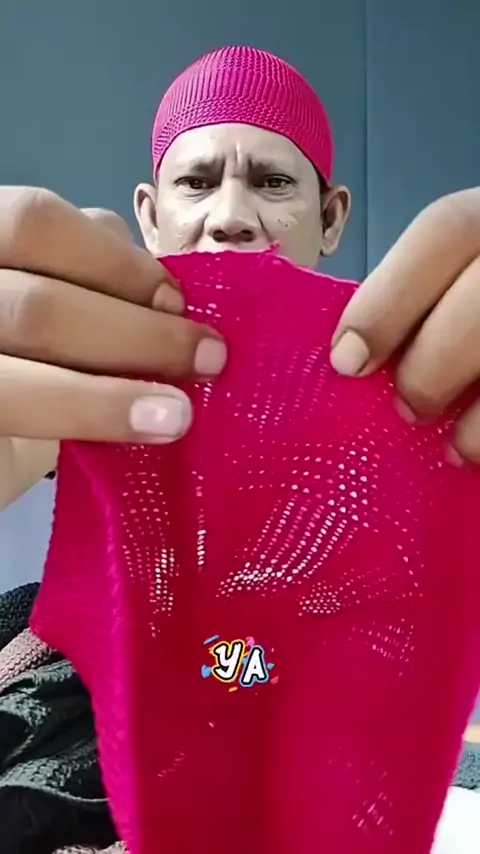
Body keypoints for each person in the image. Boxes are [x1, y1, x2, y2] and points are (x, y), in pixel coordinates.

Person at [0, 44, 479, 853]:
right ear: (150, 213)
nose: (230, 214)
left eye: (272, 182)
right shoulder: (70, 390)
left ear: (332, 218)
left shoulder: (416, 407)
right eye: (196, 181)